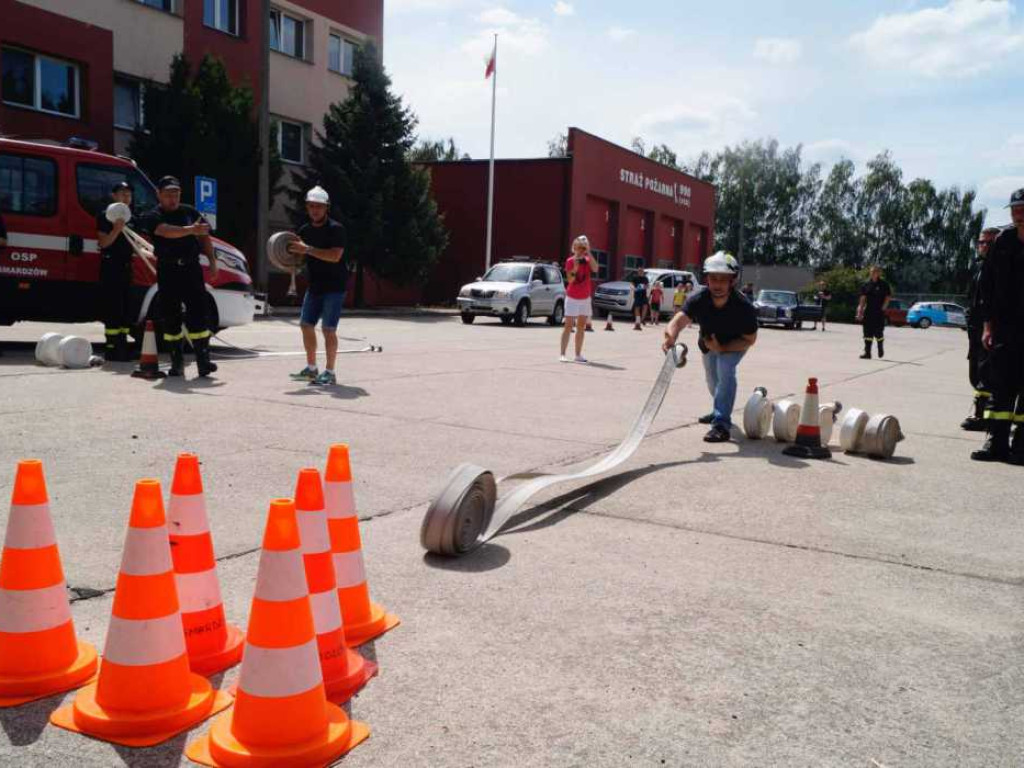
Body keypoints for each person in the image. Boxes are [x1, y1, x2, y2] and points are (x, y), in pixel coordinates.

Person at [662, 252, 758, 443]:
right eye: (713, 278)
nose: (718, 284)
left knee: (725, 368)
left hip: (735, 344)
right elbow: (678, 321)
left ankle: (721, 424)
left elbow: (750, 339)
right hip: (708, 343)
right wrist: (670, 338)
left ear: (733, 280)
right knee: (712, 380)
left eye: (723, 279)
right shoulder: (699, 299)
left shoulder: (743, 307)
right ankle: (719, 409)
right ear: (707, 279)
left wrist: (722, 349)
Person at [139, 176, 218, 377]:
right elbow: (164, 232)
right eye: (168, 194)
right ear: (159, 195)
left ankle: (203, 361)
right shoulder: (153, 215)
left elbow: (204, 236)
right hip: (168, 270)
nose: (172, 198)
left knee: (199, 314)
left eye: (176, 194)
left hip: (191, 269)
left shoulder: (190, 212)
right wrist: (191, 229)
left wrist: (212, 261)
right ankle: (177, 362)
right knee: (170, 315)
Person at [972, 189, 1024, 464]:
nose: (1018, 213)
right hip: (1004, 327)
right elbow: (988, 289)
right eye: (1014, 208)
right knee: (1000, 386)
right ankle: (996, 442)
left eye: (1022, 208)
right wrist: (987, 327)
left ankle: (1021, 446)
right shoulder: (1003, 242)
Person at [288, 186, 349, 386]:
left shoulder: (336, 229)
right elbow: (299, 256)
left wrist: (308, 249)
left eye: (319, 207)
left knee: (328, 329)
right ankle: (311, 370)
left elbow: (335, 256)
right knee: (306, 325)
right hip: (315, 286)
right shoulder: (304, 231)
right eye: (311, 206)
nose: (315, 210)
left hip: (335, 287)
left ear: (326, 208)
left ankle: (330, 372)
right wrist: (290, 253)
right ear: (307, 207)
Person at [962, 227, 1001, 431]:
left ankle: (983, 416)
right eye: (981, 242)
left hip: (992, 328)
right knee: (975, 372)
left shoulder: (1001, 268)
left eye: (989, 243)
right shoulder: (978, 266)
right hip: (975, 327)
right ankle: (982, 414)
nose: (984, 246)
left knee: (987, 372)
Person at [95, 182, 136, 362]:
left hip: (127, 266)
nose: (126, 197)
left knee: (126, 308)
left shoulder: (131, 217)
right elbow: (103, 243)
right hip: (111, 266)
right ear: (113, 196)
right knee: (113, 307)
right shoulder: (105, 216)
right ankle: (111, 348)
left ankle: (122, 345)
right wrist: (117, 229)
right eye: (122, 193)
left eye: (129, 194)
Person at [560, 235, 598, 363]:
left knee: (581, 326)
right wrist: (575, 268)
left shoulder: (587, 260)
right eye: (578, 247)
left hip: (585, 298)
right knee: (568, 325)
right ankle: (563, 354)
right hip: (572, 297)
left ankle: (578, 354)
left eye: (582, 248)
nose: (580, 250)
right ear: (574, 248)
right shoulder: (570, 261)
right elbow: (570, 280)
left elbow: (596, 268)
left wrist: (589, 252)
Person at [856, 266, 891, 359]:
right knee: (867, 332)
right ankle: (867, 353)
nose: (873, 273)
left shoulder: (884, 284)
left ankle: (880, 347)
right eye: (872, 272)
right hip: (868, 311)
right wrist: (860, 311)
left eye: (875, 272)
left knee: (878, 332)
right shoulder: (866, 284)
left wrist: (883, 308)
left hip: (879, 311)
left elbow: (888, 297)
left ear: (879, 273)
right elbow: (863, 299)